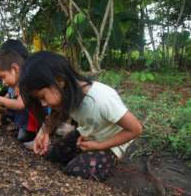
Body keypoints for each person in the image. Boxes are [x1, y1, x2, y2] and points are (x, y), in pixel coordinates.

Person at [19, 51, 143, 181]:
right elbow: (57, 113)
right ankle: (85, 153)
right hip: (88, 133)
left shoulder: (101, 99)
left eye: (42, 97)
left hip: (111, 143)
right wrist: (44, 132)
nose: (43, 104)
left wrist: (99, 146)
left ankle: (106, 158)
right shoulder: (68, 94)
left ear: (59, 80)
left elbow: (136, 129)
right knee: (54, 154)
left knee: (75, 172)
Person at [0, 39, 43, 143]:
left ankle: (32, 131)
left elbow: (20, 105)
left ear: (15, 68)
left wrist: (0, 98)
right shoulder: (14, 84)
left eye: (3, 77)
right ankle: (20, 126)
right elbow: (9, 101)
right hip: (27, 116)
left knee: (22, 138)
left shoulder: (26, 82)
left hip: (38, 119)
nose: (3, 82)